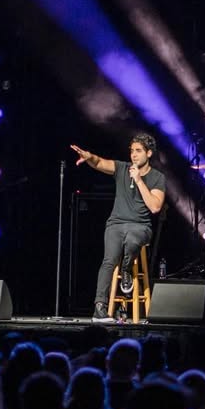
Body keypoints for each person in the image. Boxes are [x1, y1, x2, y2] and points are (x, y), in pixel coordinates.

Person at [71, 134, 166, 322]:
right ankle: (99, 308)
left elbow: (155, 207)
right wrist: (89, 157)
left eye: (138, 151)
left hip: (140, 226)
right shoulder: (122, 168)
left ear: (149, 153)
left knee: (132, 239)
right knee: (109, 260)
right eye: (132, 151)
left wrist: (139, 180)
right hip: (116, 224)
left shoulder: (157, 177)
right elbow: (100, 162)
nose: (134, 155)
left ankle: (126, 269)